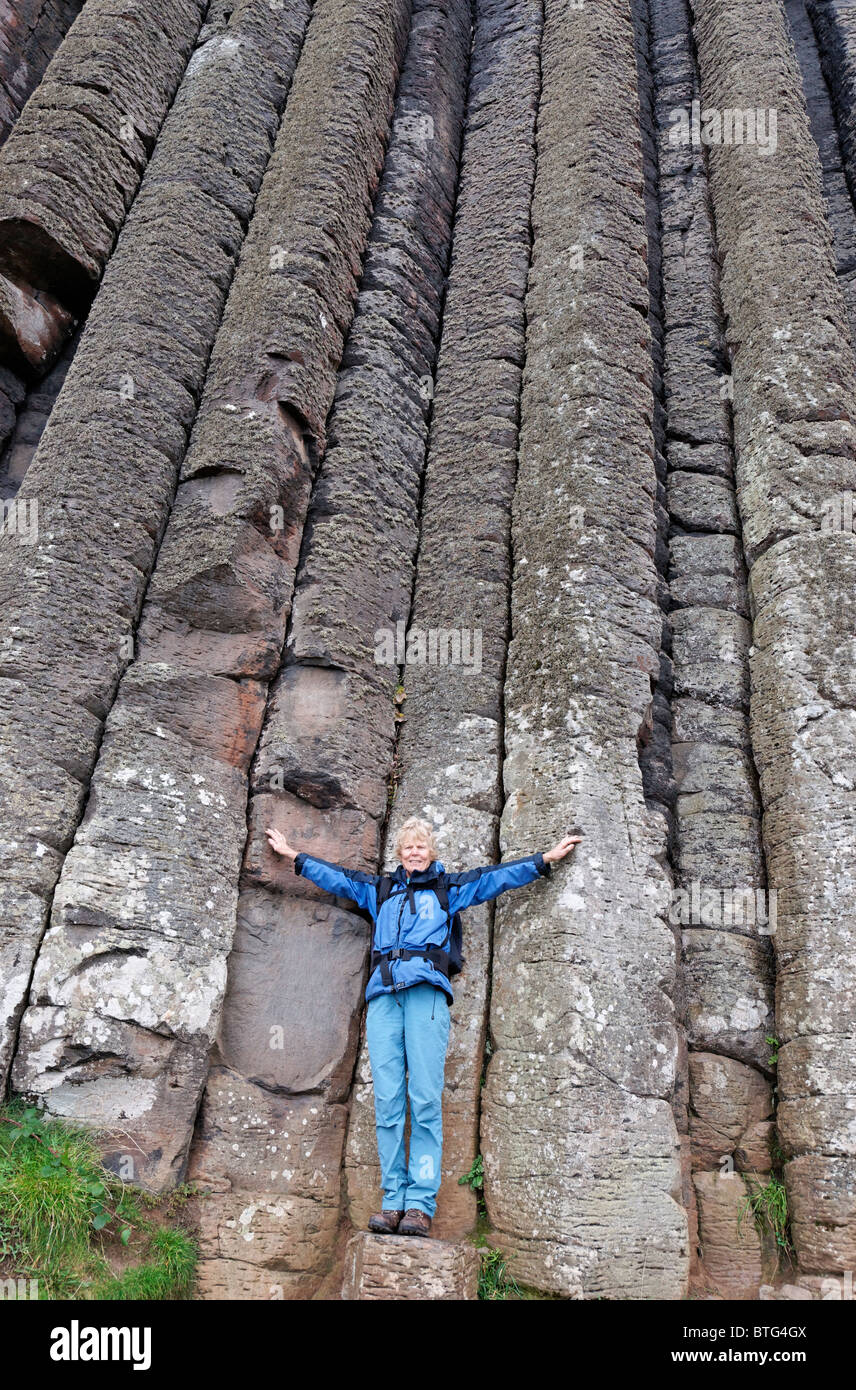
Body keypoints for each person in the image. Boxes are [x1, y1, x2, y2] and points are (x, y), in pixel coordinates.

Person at [265, 816, 581, 1237]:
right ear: (400, 853)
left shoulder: (447, 889)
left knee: (426, 1100)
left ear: (430, 852)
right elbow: (338, 879)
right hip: (383, 999)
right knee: (389, 1102)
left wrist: (543, 860)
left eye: (421, 847)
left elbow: (496, 879)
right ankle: (393, 1201)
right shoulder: (380, 890)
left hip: (426, 997)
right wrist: (294, 856)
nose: (414, 852)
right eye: (408, 847)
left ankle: (420, 1204)